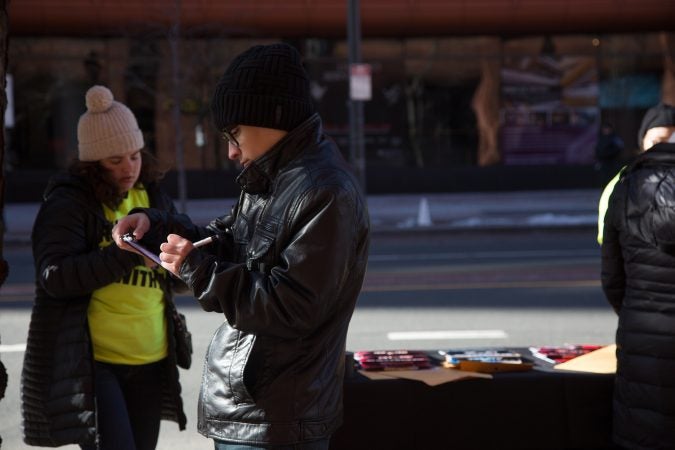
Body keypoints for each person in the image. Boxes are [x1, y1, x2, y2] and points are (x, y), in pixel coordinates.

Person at [111, 43, 370, 450]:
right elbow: (225, 240)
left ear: (272, 118)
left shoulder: (324, 190)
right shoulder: (278, 174)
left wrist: (197, 269)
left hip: (279, 418)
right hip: (255, 409)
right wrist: (156, 225)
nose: (231, 151)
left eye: (234, 135)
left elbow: (292, 307)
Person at [21, 85, 187, 450]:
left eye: (134, 156)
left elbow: (175, 274)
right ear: (91, 164)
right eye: (115, 161)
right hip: (96, 365)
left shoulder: (152, 196)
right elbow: (55, 278)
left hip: (152, 356)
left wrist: (187, 264)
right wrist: (126, 254)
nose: (129, 168)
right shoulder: (69, 204)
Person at [600, 101, 675, 449]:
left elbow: (613, 279)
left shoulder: (624, 187)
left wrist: (636, 314)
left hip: (643, 339)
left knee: (644, 433)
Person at [594, 122, 624, 187]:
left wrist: (607, 153)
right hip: (603, 163)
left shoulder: (614, 138)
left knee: (611, 180)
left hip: (612, 163)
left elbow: (618, 148)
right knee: (603, 180)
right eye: (604, 129)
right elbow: (597, 149)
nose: (605, 130)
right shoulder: (601, 138)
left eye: (607, 129)